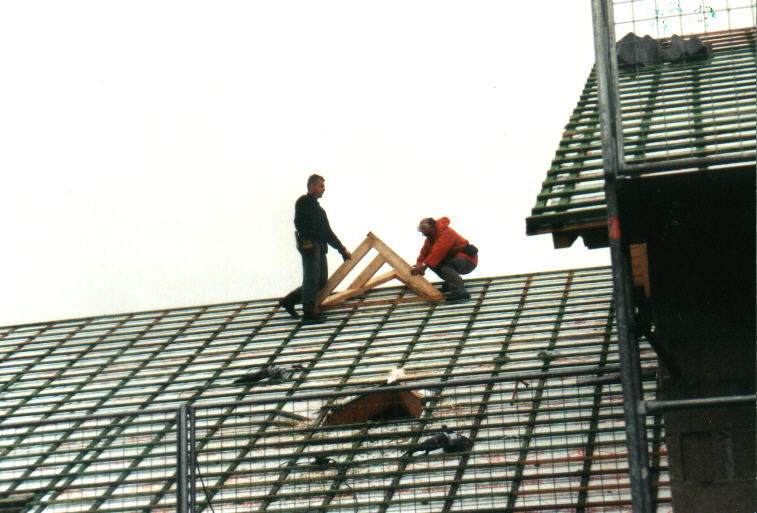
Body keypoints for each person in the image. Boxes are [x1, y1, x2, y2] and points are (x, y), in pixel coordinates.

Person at [279, 174, 351, 322]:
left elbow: (327, 233)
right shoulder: (304, 202)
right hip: (310, 245)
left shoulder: (319, 210)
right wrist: (307, 238)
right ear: (312, 186)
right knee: (311, 279)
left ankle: (288, 301)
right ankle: (308, 313)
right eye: (321, 186)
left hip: (320, 246)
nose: (324, 189)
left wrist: (342, 250)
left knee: (321, 281)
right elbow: (299, 223)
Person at [410, 217, 477, 302]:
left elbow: (438, 252)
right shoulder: (430, 239)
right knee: (434, 264)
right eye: (423, 231)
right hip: (455, 259)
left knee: (445, 267)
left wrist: (423, 267)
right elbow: (424, 254)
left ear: (432, 226)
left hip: (467, 260)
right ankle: (452, 282)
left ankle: (460, 292)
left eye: (425, 229)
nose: (425, 234)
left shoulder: (447, 232)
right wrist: (419, 264)